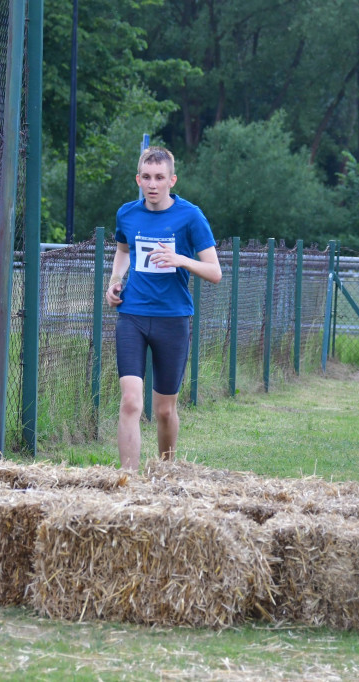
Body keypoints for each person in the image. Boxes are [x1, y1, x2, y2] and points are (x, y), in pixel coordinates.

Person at [105, 146, 222, 471]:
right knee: (130, 401)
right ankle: (127, 482)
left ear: (172, 179)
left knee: (164, 410)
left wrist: (180, 259)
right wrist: (115, 281)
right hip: (133, 317)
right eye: (146, 177)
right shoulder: (127, 214)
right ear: (138, 179)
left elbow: (215, 273)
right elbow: (123, 249)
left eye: (159, 177)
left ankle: (166, 472)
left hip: (173, 320)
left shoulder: (190, 216)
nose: (152, 184)